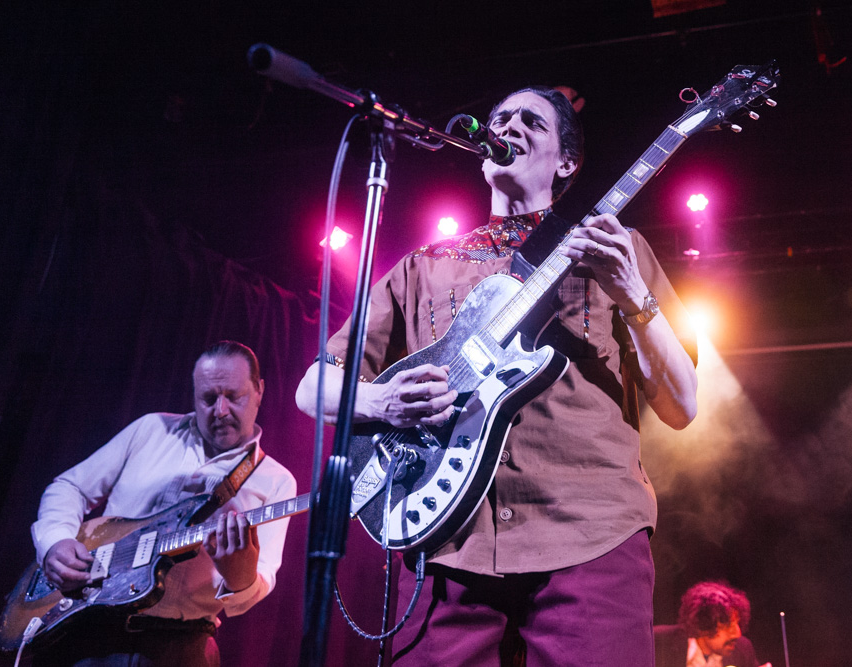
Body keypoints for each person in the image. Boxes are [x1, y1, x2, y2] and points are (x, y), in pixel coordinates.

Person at [296, 86, 698, 666]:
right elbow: (314, 388)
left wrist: (632, 291)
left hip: (590, 534)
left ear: (567, 163)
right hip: (445, 539)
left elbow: (682, 406)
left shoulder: (616, 248)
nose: (509, 127)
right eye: (501, 118)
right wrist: (383, 402)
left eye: (532, 121)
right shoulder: (424, 265)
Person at [30, 340, 297, 666]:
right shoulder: (151, 429)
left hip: (180, 648)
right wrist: (56, 541)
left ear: (259, 391)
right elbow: (71, 486)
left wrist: (240, 575)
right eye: (208, 399)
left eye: (233, 396)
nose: (220, 410)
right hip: (87, 630)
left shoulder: (276, 480)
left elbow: (259, 580)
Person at [654, 581, 770, 667]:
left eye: (738, 624)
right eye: (728, 626)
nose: (737, 633)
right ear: (703, 624)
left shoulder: (743, 649)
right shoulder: (659, 642)